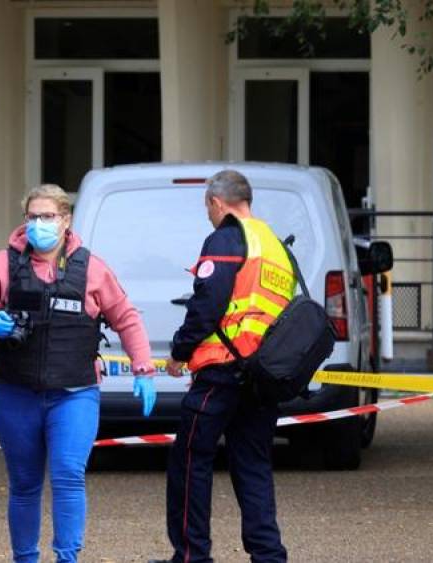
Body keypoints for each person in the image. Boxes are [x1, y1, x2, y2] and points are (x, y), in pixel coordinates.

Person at [0, 184, 156, 563]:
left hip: (75, 393)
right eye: (32, 216)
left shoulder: (91, 268)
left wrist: (143, 368)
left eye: (47, 216)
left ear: (65, 220)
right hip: (14, 392)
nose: (39, 224)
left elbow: (126, 318)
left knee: (68, 476)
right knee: (25, 484)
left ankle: (67, 557)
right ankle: (25, 558)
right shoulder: (3, 264)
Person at [157, 169, 293, 563]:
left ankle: (191, 556)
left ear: (217, 203)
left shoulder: (225, 238)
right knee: (252, 466)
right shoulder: (274, 246)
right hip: (262, 376)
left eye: (208, 208)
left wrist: (180, 352)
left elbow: (208, 304)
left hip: (220, 371)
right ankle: (269, 556)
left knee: (189, 462)